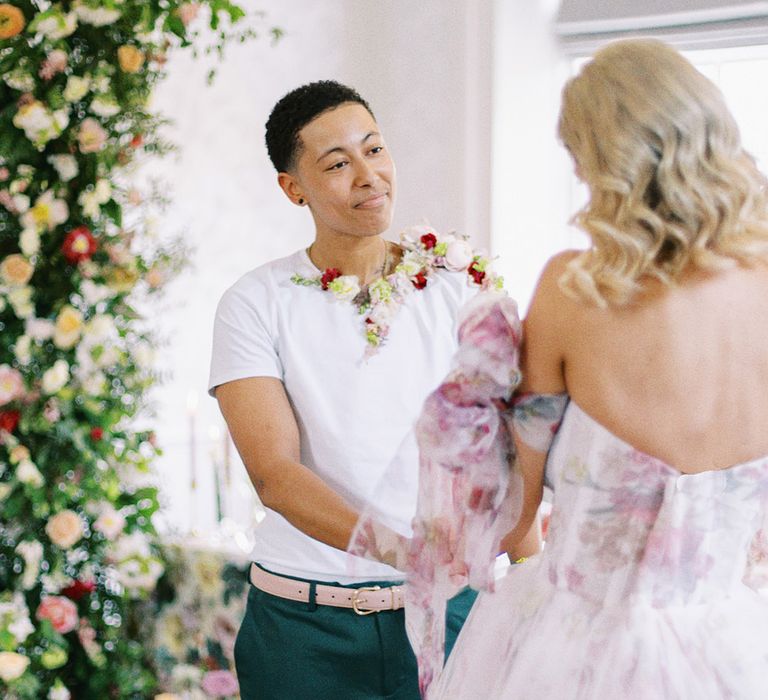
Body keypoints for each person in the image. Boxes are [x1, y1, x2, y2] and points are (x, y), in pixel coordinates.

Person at [400, 39, 768, 698]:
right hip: (735, 646)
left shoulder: (574, 290)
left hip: (581, 650)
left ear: (606, 161)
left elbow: (518, 508)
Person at [208, 80, 508, 700]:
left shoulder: (459, 286)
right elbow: (276, 476)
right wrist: (403, 552)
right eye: (338, 164)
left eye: (374, 150)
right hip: (305, 627)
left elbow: (510, 440)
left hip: (451, 616)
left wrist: (534, 570)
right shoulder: (255, 303)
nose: (368, 175)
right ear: (294, 189)